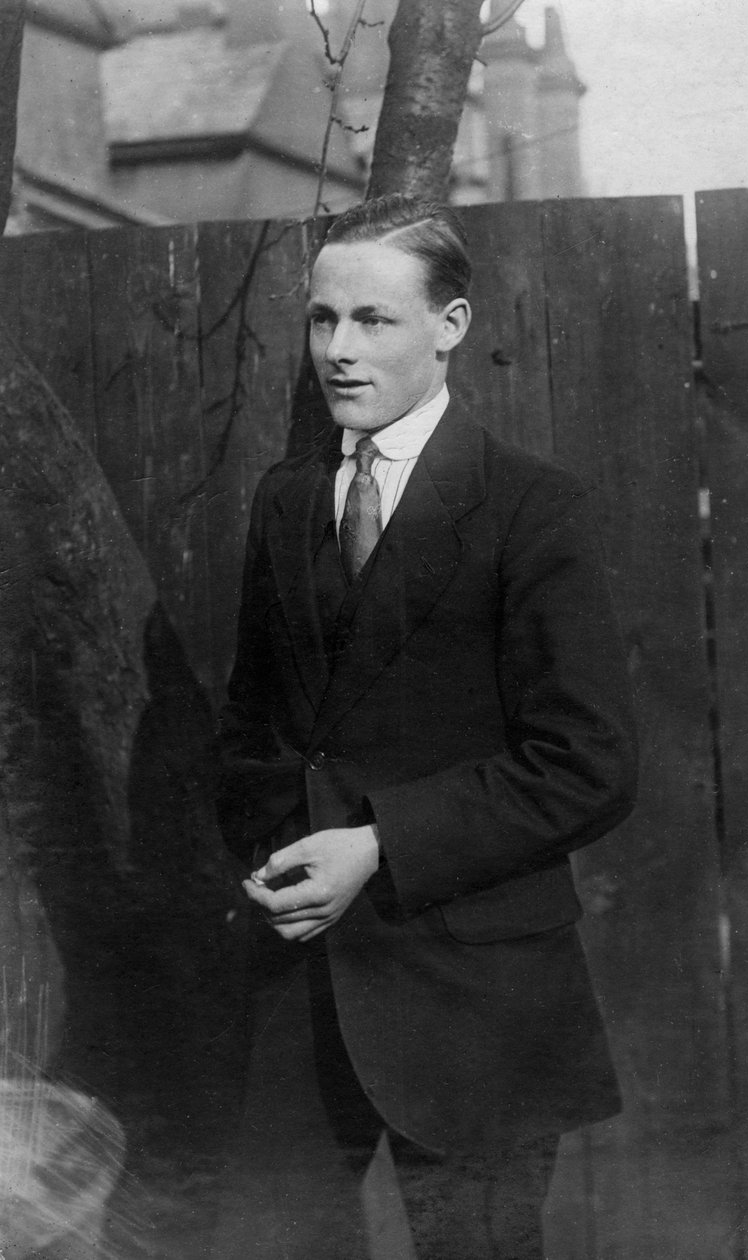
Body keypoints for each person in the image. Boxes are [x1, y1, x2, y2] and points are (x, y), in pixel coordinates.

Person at [215, 193, 639, 1260]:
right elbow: (254, 723)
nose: (339, 350)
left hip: (476, 1000)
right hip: (304, 983)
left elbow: (589, 764)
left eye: (374, 319)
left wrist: (377, 845)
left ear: (450, 326)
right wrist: (270, 857)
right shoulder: (286, 500)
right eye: (323, 319)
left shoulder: (532, 508)